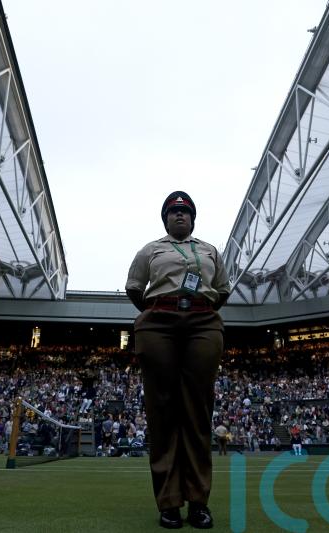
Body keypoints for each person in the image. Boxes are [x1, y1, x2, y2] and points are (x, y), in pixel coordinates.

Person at [126, 191, 230, 529]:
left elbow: (223, 289)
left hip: (203, 320)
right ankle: (169, 503)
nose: (179, 215)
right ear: (165, 219)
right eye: (173, 212)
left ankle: (199, 502)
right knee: (163, 412)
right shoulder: (150, 250)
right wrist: (161, 312)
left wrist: (198, 309)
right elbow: (135, 288)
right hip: (159, 321)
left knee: (198, 413)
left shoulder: (210, 250)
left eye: (185, 212)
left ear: (193, 219)